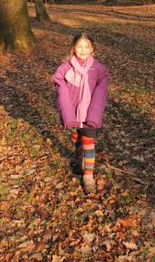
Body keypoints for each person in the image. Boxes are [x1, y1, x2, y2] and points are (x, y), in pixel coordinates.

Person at [52, 32, 109, 194]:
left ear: (92, 49)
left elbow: (101, 92)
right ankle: (77, 160)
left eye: (86, 47)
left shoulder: (98, 69)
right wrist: (67, 114)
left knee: (88, 142)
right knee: (76, 138)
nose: (83, 50)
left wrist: (95, 114)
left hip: (90, 113)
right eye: (79, 46)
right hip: (73, 113)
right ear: (73, 48)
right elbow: (60, 88)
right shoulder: (65, 68)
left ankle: (88, 176)